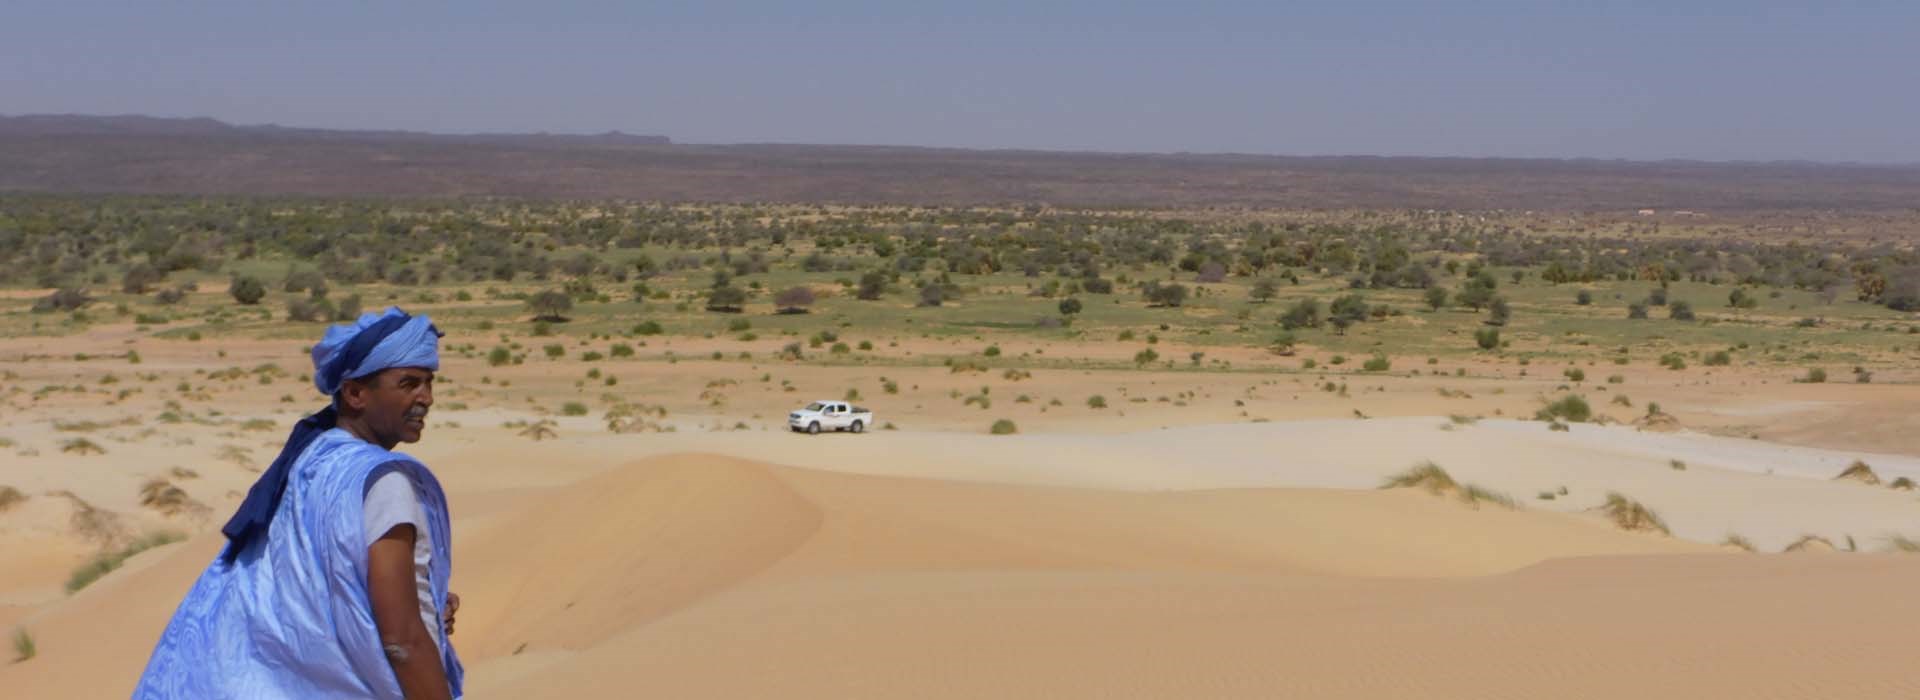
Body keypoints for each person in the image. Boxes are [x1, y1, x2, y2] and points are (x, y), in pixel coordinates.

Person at [135, 308, 465, 699]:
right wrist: (415, 621)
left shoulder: (311, 462)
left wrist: (424, 598)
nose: (425, 398)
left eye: (429, 382)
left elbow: (314, 587)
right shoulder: (382, 482)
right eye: (408, 383)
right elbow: (402, 640)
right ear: (355, 393)